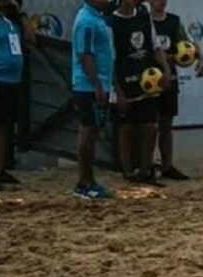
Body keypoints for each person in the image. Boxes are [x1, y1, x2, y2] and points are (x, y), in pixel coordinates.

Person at [108, 0, 171, 184]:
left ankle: (146, 170)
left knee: (149, 127)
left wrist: (165, 68)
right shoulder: (111, 23)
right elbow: (110, 59)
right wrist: (117, 91)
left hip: (146, 81)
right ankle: (128, 172)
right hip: (123, 83)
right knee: (125, 129)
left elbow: (155, 46)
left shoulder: (144, 17)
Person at [148, 0, 203, 181]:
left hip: (169, 80)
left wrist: (201, 59)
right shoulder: (144, 21)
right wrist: (170, 57)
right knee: (149, 126)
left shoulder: (174, 21)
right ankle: (146, 164)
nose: (161, 2)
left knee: (166, 124)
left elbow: (190, 43)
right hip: (149, 80)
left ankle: (167, 165)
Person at [70, 0, 114, 199]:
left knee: (92, 131)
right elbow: (85, 55)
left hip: (98, 84)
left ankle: (89, 179)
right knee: (87, 132)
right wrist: (96, 84)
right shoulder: (86, 20)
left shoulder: (96, 17)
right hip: (88, 87)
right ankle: (84, 182)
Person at [0, 0, 22, 190]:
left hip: (12, 80)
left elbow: (30, 37)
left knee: (5, 126)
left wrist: (20, 14)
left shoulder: (8, 20)